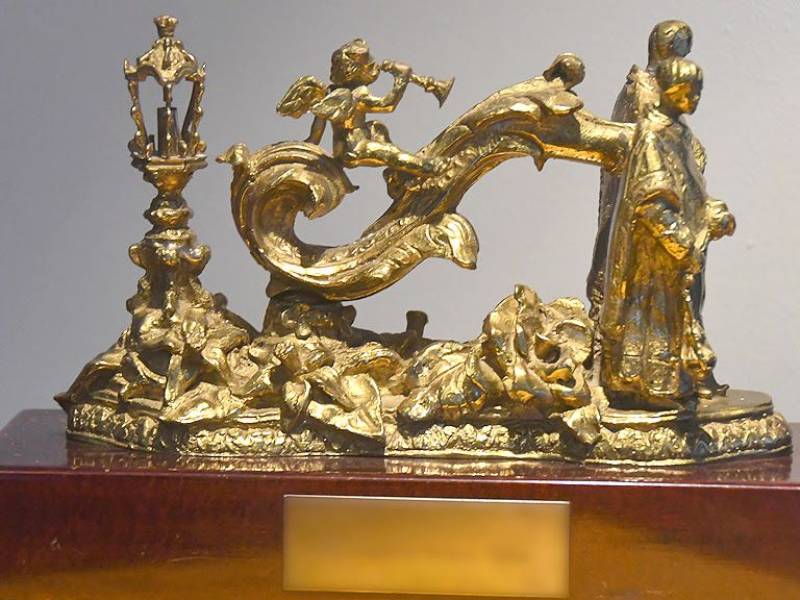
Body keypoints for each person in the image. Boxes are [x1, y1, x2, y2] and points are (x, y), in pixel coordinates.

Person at [598, 57, 735, 410]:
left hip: (677, 255)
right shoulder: (652, 135)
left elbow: (691, 191)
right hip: (654, 254)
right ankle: (647, 388)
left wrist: (712, 212)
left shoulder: (680, 134)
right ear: (669, 90)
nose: (695, 99)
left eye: (698, 92)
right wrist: (681, 242)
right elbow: (651, 200)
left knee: (677, 319)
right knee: (652, 317)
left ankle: (674, 385)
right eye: (688, 91)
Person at [587, 21, 693, 322]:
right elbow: (638, 143)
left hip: (664, 201)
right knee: (620, 255)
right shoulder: (639, 89)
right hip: (640, 194)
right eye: (676, 48)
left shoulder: (665, 91)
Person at [276, 38, 449, 177]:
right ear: (357, 70)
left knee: (377, 129)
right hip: (354, 148)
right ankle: (429, 167)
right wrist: (401, 80)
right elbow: (387, 105)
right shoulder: (356, 94)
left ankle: (402, 171)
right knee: (390, 152)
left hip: (349, 144)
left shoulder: (330, 93)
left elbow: (315, 136)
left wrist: (306, 146)